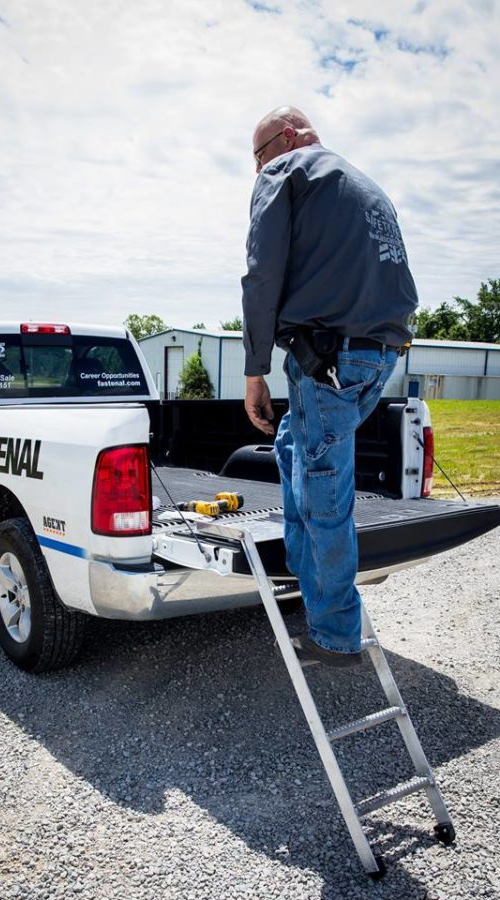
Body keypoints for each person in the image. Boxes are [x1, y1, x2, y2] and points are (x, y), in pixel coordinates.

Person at [241, 106, 418, 667]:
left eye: (258, 155)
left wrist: (254, 370)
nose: (258, 168)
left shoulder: (286, 171)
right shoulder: (361, 184)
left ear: (286, 138)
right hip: (377, 355)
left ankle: (335, 634)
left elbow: (261, 274)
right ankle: (307, 578)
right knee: (295, 441)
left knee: (324, 494)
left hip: (327, 360)